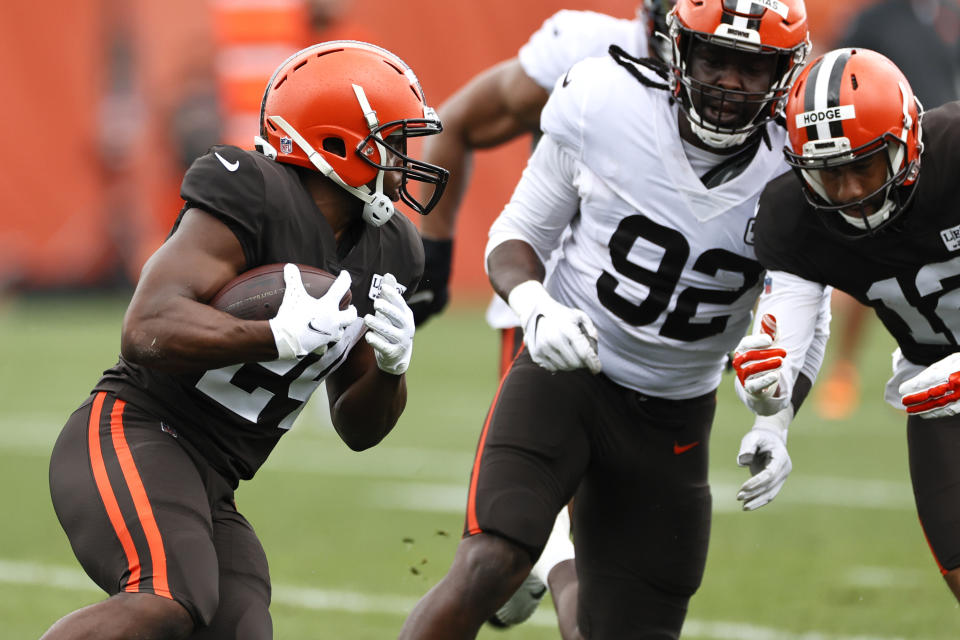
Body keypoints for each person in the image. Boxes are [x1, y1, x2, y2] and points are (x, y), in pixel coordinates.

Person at [397, 0, 817, 637]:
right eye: (715, 59)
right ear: (677, 49)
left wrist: (779, 419)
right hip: (567, 373)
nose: (730, 83)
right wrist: (535, 308)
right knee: (491, 560)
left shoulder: (800, 162)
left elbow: (806, 313)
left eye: (752, 67)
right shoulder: (603, 98)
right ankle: (545, 555)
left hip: (675, 414)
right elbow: (517, 234)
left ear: (787, 71)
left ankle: (559, 564)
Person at [40, 40, 448, 640]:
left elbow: (358, 431)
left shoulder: (391, 249)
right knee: (164, 598)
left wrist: (391, 368)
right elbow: (146, 329)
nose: (403, 159)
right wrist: (271, 334)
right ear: (337, 141)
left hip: (216, 475)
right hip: (134, 432)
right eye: (390, 139)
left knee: (239, 628)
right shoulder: (252, 192)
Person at [731, 47, 960, 603]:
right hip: (933, 387)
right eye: (831, 173)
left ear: (908, 140)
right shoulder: (795, 217)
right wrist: (771, 416)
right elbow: (787, 340)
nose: (853, 190)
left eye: (864, 164)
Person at [409, 1, 674, 366]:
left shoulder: (749, 86)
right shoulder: (588, 52)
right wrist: (434, 255)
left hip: (670, 341)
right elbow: (453, 125)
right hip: (554, 308)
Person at [813, 0, 960, 420]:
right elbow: (832, 75)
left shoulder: (948, 16)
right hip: (882, 160)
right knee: (867, 269)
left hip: (942, 161)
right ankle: (843, 369)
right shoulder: (874, 18)